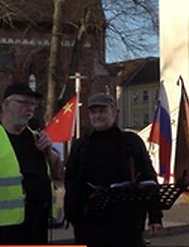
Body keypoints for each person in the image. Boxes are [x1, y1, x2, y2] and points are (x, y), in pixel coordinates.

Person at [0, 82, 63, 245]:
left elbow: (58, 175)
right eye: (24, 103)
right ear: (6, 105)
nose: (30, 108)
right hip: (5, 231)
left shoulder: (37, 138)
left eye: (33, 104)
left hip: (38, 226)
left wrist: (49, 152)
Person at [64, 93, 163, 247]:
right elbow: (71, 182)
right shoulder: (81, 145)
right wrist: (73, 216)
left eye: (102, 111)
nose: (97, 116)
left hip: (127, 223)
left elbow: (148, 177)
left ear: (114, 112)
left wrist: (155, 216)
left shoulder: (131, 141)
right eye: (93, 112)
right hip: (91, 224)